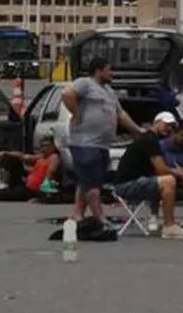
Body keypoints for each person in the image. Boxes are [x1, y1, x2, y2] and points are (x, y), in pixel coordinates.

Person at [62, 57, 145, 225]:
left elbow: (121, 115)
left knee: (87, 180)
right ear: (98, 71)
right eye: (109, 69)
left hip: (101, 145)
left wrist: (137, 130)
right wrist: (76, 113)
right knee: (92, 185)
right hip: (85, 143)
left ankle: (77, 213)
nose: (111, 73)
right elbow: (67, 94)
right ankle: (101, 219)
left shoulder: (109, 91)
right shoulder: (85, 83)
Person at [111, 112, 183, 239]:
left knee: (168, 181)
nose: (169, 129)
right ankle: (169, 225)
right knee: (168, 181)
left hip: (139, 181)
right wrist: (178, 173)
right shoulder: (150, 140)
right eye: (166, 125)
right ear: (156, 123)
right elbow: (161, 169)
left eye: (172, 126)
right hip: (127, 185)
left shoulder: (153, 139)